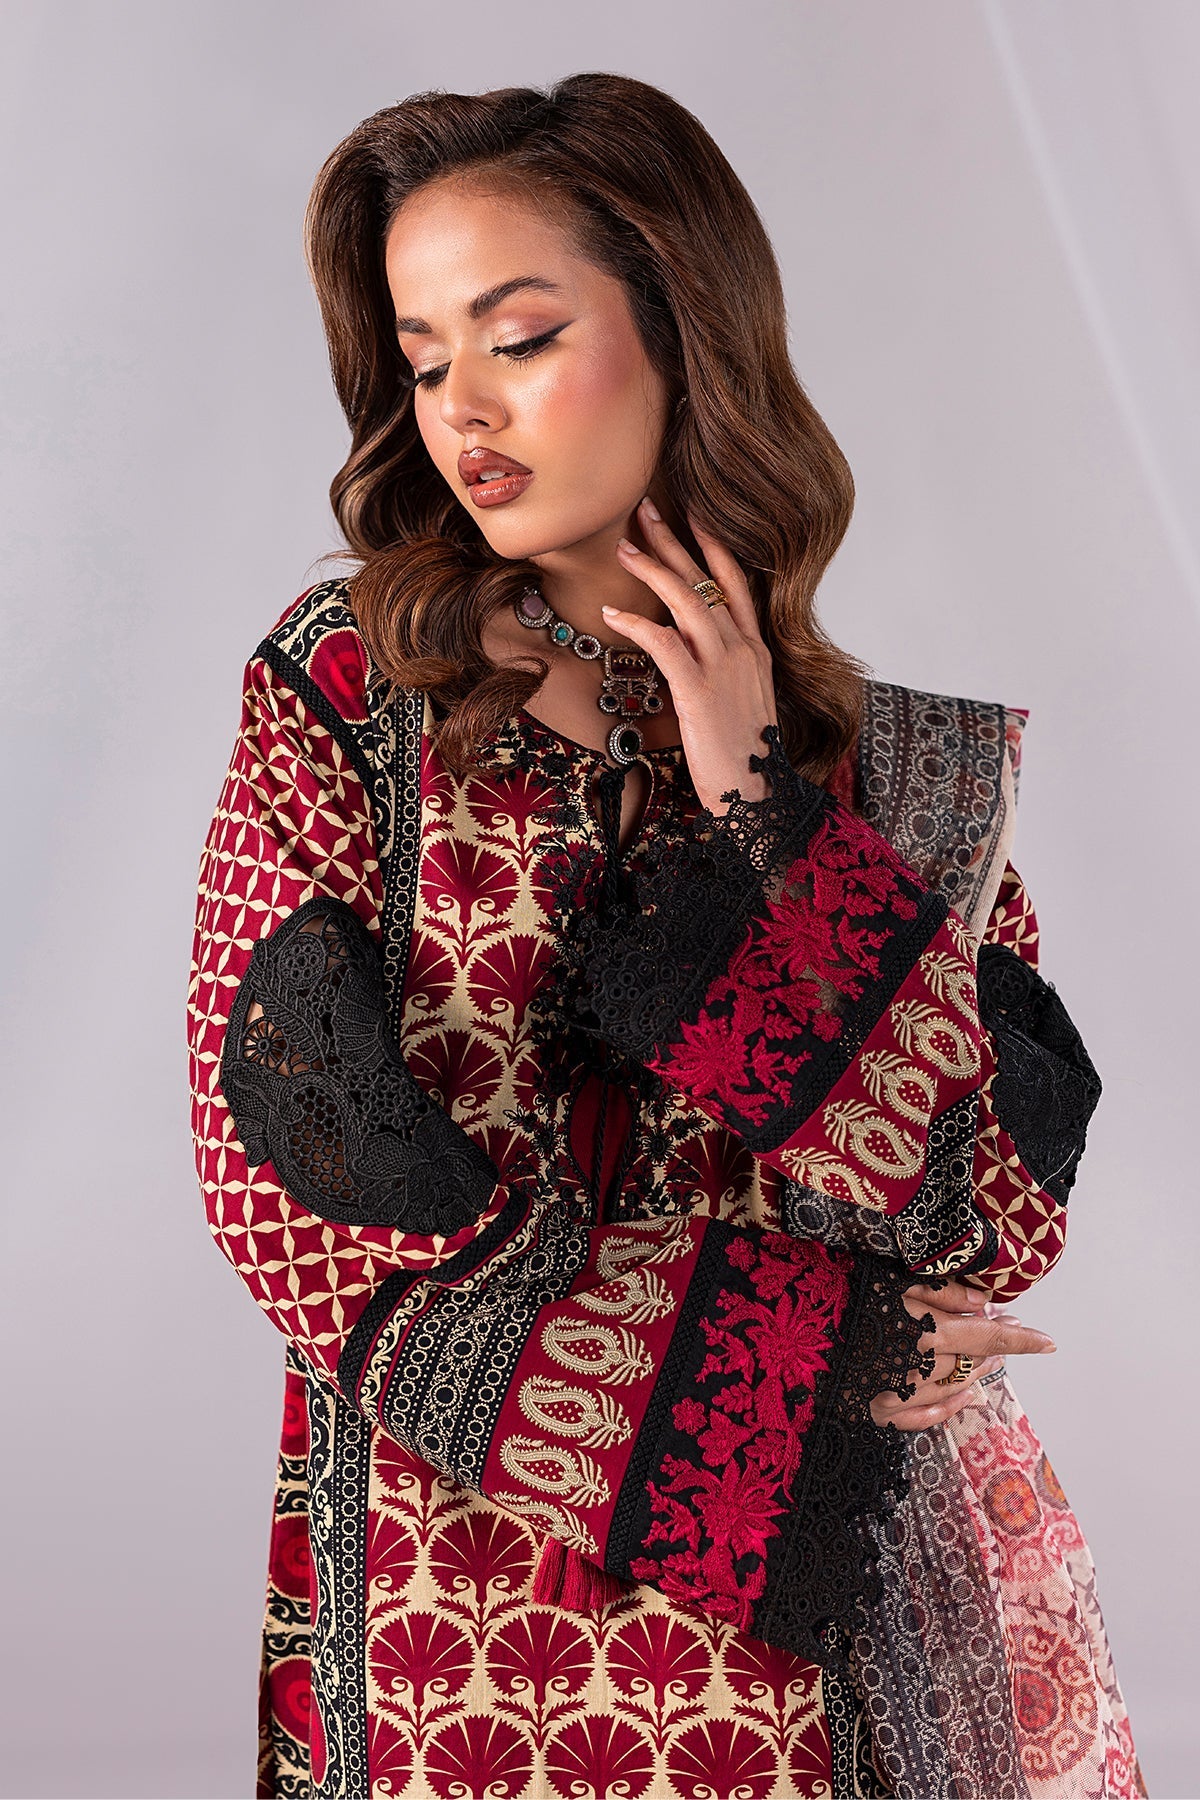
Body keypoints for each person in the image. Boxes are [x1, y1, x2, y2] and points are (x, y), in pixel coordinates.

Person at [187, 72, 1144, 1800]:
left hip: (822, 1639)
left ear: (683, 332)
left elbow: (982, 1212)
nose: (464, 409)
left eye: (520, 337)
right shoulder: (350, 692)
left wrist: (764, 805)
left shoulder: (876, 769)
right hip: (459, 1608)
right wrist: (794, 1373)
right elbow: (296, 1178)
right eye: (425, 360)